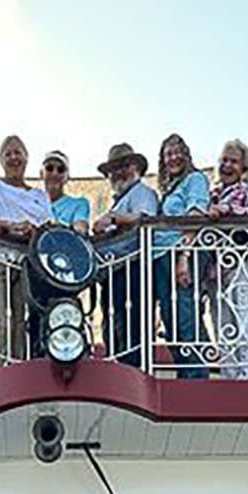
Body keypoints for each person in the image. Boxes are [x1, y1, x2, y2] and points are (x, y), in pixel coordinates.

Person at [0, 136, 52, 363]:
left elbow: (47, 228)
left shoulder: (40, 196)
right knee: (0, 320)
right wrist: (7, 227)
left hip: (27, 263)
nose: (13, 157)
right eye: (8, 153)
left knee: (20, 322)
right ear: (0, 160)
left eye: (18, 152)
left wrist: (32, 231)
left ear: (26, 158)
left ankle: (18, 373)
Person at [92, 143, 160, 368]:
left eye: (124, 166)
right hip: (113, 272)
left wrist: (112, 219)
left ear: (135, 168)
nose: (118, 172)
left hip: (132, 269)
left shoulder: (142, 192)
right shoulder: (120, 200)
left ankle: (133, 374)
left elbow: (144, 218)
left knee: (132, 329)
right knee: (115, 328)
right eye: (113, 169)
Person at [210, 139, 248, 380]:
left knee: (247, 318)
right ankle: (230, 376)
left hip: (243, 262)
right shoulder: (213, 192)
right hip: (217, 268)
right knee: (223, 323)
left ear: (244, 167)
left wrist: (229, 210)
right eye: (224, 160)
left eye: (233, 161)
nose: (227, 165)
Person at [153, 133, 210, 378]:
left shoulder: (195, 179)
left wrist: (184, 256)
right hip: (162, 256)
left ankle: (197, 377)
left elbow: (195, 215)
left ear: (186, 155)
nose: (173, 158)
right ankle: (184, 374)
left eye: (177, 152)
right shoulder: (169, 189)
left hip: (182, 251)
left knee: (185, 314)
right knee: (170, 319)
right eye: (168, 154)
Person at [42, 151, 89, 227]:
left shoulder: (79, 204)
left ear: (67, 177)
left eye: (61, 170)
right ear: (41, 173)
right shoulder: (32, 203)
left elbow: (80, 227)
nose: (54, 174)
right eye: (49, 168)